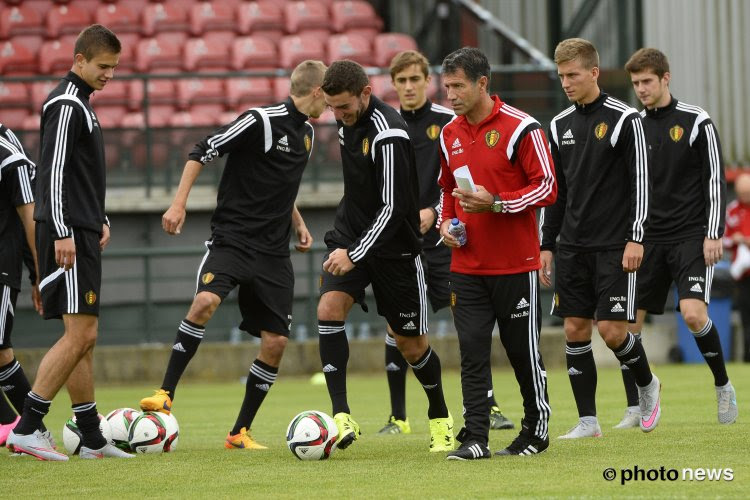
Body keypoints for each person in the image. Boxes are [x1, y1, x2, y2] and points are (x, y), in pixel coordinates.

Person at [139, 60, 328, 450]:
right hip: (233, 240)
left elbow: (282, 185)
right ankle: (165, 393)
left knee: (275, 342)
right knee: (205, 301)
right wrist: (178, 204)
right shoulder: (260, 120)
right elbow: (202, 149)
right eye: (330, 96)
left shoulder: (307, 133)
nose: (332, 106)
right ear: (316, 92)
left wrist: (298, 222)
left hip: (274, 253)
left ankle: (239, 432)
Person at [6, 24, 131, 460]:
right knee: (81, 333)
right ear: (79, 60)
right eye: (103, 66)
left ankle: (92, 437)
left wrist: (101, 218)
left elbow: (81, 176)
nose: (109, 75)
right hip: (68, 232)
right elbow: (52, 172)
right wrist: (62, 230)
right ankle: (26, 428)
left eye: (114, 68)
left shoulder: (83, 104)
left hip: (81, 228)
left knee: (83, 336)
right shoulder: (65, 103)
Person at [317, 59, 454, 453]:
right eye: (332, 108)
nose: (338, 115)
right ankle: (341, 416)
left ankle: (440, 416)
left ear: (365, 94)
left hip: (395, 249)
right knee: (329, 309)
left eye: (343, 107)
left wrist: (355, 254)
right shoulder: (347, 122)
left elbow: (394, 209)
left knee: (411, 345)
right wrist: (349, 244)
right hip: (350, 237)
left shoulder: (389, 133)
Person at [376, 50, 514, 436]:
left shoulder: (449, 123)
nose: (407, 87)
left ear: (427, 82)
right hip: (398, 244)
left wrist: (436, 214)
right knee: (397, 325)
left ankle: (488, 405)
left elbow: (457, 181)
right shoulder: (387, 125)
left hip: (442, 240)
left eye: (414, 80)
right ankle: (397, 417)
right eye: (400, 81)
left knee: (467, 323)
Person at [435, 47, 555, 460]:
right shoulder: (449, 133)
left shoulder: (522, 128)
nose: (449, 94)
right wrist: (445, 225)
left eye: (457, 86)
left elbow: (547, 187)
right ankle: (475, 439)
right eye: (446, 86)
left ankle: (535, 431)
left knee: (522, 352)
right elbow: (448, 193)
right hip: (466, 267)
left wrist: (498, 203)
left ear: (482, 83)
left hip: (515, 266)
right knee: (471, 350)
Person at [540, 38, 661, 439]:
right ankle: (588, 422)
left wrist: (636, 238)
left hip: (615, 245)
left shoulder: (627, 120)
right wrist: (546, 245)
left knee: (611, 331)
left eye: (572, 75)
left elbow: (641, 183)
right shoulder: (558, 125)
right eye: (561, 77)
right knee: (574, 329)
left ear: (593, 72)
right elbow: (556, 193)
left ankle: (647, 384)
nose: (566, 83)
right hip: (572, 246)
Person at [619, 48, 737, 426]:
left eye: (647, 81)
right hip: (646, 238)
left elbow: (714, 180)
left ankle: (722, 386)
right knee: (627, 325)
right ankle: (637, 406)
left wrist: (713, 233)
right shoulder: (632, 125)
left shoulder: (695, 121)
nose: (641, 89)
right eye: (636, 83)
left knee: (691, 314)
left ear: (665, 78)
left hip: (689, 236)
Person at [0, 124, 45, 447]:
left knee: (0, 350)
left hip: (2, 267)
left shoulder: (9, 157)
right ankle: (17, 425)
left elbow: (28, 217)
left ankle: (32, 427)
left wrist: (38, 275)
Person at [725, 172, 750, 363]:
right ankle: (747, 356)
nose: (744, 196)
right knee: (745, 316)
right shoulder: (732, 210)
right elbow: (721, 239)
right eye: (742, 193)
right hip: (742, 275)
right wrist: (734, 239)